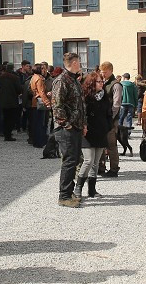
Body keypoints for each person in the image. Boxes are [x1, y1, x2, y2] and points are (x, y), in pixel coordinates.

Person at [52, 52, 86, 208]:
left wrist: (83, 124)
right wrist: (67, 124)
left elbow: (80, 105)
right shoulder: (62, 81)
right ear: (73, 63)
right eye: (79, 62)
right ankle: (64, 196)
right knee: (69, 161)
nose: (81, 64)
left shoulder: (74, 80)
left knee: (75, 160)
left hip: (76, 127)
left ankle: (69, 192)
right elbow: (57, 106)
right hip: (66, 129)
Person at [75, 71, 112, 199]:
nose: (102, 83)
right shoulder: (85, 97)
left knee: (96, 162)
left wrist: (108, 127)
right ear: (92, 83)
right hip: (88, 132)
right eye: (99, 81)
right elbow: (81, 114)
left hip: (101, 132)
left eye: (102, 81)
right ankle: (78, 187)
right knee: (88, 160)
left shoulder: (104, 97)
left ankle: (92, 190)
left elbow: (109, 114)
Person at [98, 62, 122, 177]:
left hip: (111, 119)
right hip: (102, 118)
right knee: (101, 144)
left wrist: (110, 118)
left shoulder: (116, 85)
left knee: (111, 144)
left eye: (105, 72)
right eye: (102, 72)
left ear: (111, 71)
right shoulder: (102, 82)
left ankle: (114, 169)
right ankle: (101, 167)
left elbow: (116, 104)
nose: (103, 74)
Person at [0, 62, 23, 142]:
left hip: (2, 100)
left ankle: (2, 132)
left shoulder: (0, 77)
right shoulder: (15, 78)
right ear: (12, 68)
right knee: (11, 118)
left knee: (2, 116)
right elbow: (18, 89)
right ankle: (8, 134)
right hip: (12, 100)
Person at [28, 64, 52, 148]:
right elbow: (41, 92)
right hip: (39, 102)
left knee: (36, 123)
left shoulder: (33, 77)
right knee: (40, 123)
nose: (43, 70)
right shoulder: (39, 78)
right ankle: (39, 142)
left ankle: (36, 141)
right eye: (41, 68)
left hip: (34, 102)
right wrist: (47, 103)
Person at [118, 73, 138, 156]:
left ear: (124, 77)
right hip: (131, 103)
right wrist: (136, 104)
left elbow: (119, 95)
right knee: (130, 118)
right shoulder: (133, 85)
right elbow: (135, 95)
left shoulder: (121, 84)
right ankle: (128, 132)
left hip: (123, 103)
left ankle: (119, 131)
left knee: (121, 118)